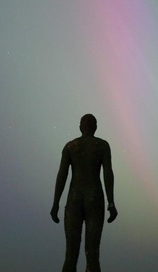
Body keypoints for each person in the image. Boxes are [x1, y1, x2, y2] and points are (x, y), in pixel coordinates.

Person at [51, 114, 118, 272]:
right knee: (92, 254)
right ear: (95, 127)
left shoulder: (70, 146)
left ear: (80, 127)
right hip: (94, 198)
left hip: (74, 198)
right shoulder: (102, 146)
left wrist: (56, 203)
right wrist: (111, 203)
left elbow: (62, 175)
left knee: (71, 255)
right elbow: (108, 174)